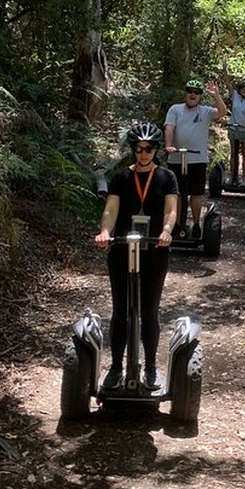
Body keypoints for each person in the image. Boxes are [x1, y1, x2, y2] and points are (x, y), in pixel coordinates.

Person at [94, 122, 179, 390]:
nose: (144, 153)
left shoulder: (167, 177)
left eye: (150, 148)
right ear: (133, 149)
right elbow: (111, 210)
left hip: (154, 250)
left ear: (156, 150)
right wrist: (105, 232)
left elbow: (171, 210)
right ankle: (115, 366)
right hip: (122, 249)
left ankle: (152, 367)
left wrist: (166, 230)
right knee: (120, 310)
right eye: (139, 148)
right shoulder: (121, 177)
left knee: (149, 310)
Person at [164, 78, 227, 238]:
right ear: (186, 93)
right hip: (177, 158)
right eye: (190, 91)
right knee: (177, 194)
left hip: (197, 159)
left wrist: (216, 95)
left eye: (197, 93)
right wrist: (169, 145)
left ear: (200, 96)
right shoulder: (175, 109)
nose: (193, 95)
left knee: (196, 193)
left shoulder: (205, 111)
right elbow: (169, 127)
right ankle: (177, 225)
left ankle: (197, 225)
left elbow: (222, 112)